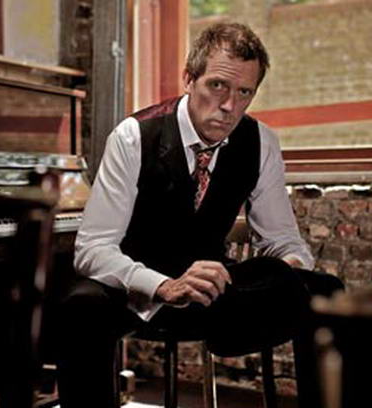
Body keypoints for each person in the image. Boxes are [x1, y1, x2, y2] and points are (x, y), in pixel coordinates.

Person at [56, 22, 343, 408]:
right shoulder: (133, 136)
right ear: (189, 79)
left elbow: (283, 241)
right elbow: (92, 249)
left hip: (212, 292)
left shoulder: (261, 142)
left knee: (324, 291)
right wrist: (164, 286)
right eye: (218, 86)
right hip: (136, 291)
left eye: (244, 92)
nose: (229, 106)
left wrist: (284, 272)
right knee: (80, 308)